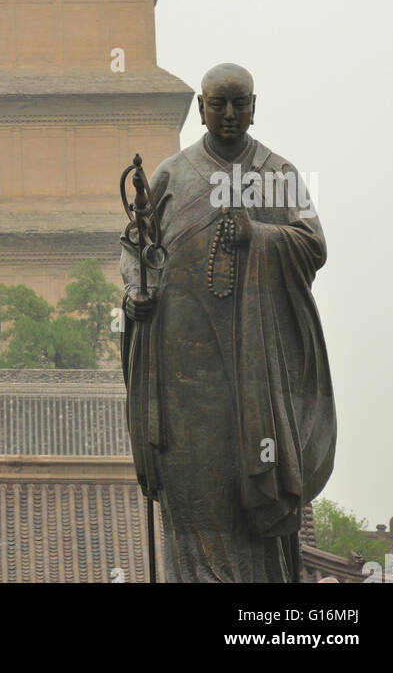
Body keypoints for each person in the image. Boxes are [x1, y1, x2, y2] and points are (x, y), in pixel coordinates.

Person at [120, 62, 336, 582]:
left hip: (255, 375)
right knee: (193, 501)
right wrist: (137, 296)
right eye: (219, 104)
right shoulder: (172, 175)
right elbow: (138, 251)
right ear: (200, 108)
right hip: (183, 373)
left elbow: (314, 244)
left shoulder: (277, 175)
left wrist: (258, 235)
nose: (230, 114)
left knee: (253, 495)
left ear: (255, 108)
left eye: (241, 104)